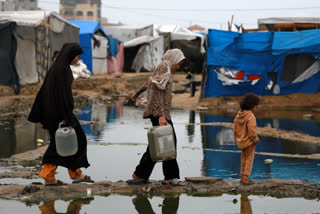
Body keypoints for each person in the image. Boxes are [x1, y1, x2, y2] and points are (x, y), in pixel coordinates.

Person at [28, 43, 93, 186]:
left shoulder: (60, 67)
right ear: (70, 55)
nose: (77, 59)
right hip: (58, 113)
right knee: (64, 142)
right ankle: (49, 175)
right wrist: (65, 117)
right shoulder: (62, 70)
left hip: (56, 111)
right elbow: (61, 96)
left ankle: (75, 173)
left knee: (72, 140)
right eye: (77, 56)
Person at [128, 49, 185, 186]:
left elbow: (150, 83)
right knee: (167, 143)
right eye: (179, 63)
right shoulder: (164, 67)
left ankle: (142, 175)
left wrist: (136, 93)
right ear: (174, 59)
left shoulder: (165, 67)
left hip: (160, 112)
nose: (179, 66)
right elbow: (157, 91)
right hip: (159, 113)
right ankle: (168, 177)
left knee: (161, 144)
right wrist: (161, 115)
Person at [233, 93, 260, 185]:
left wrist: (237, 139)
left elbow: (235, 129)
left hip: (240, 141)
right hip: (249, 142)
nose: (256, 108)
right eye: (255, 106)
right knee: (249, 159)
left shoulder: (238, 115)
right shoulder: (250, 116)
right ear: (252, 106)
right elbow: (252, 131)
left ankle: (242, 177)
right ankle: (245, 178)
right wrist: (255, 139)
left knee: (243, 159)